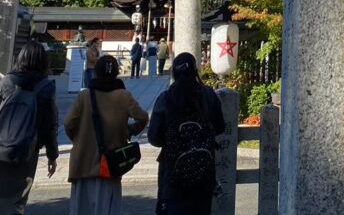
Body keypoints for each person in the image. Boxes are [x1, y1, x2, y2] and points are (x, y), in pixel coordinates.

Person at [0, 41, 59, 215]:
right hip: (28, 148)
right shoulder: (46, 87)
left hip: (0, 145)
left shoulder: (8, 81)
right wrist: (52, 155)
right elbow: (50, 125)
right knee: (18, 198)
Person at [64, 55, 148, 215]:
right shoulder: (124, 96)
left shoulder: (84, 96)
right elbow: (143, 117)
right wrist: (130, 130)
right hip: (110, 164)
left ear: (96, 71)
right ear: (116, 72)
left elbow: (68, 123)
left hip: (83, 162)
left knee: (81, 208)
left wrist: (78, 138)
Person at [149, 52, 225, 215]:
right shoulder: (209, 95)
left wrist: (173, 139)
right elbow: (220, 127)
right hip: (204, 172)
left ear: (174, 73)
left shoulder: (166, 98)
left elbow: (153, 137)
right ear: (195, 71)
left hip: (173, 176)